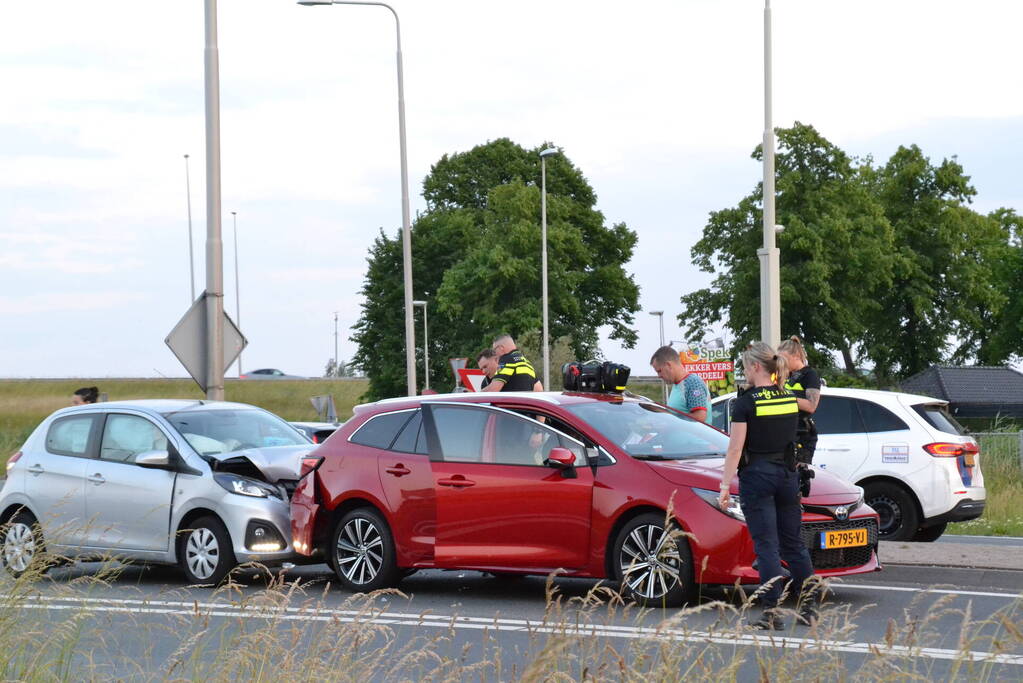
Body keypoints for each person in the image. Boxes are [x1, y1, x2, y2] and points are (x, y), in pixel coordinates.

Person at [717, 342, 816, 630]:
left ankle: (771, 613)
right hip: (787, 476)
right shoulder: (787, 398)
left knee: (768, 547)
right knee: (795, 544)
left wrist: (725, 486)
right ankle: (808, 608)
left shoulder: (746, 403)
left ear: (756, 367)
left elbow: (735, 450)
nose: (745, 373)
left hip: (758, 478)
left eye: (746, 367)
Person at [778, 335, 822, 497]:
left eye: (784, 359)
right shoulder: (785, 375)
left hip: (802, 434)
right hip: (785, 431)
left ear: (795, 356)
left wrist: (785, 397)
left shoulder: (809, 375)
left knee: (795, 480)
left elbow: (811, 406)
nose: (780, 363)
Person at [649, 346, 711, 423]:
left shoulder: (692, 383)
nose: (659, 376)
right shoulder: (677, 384)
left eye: (659, 371)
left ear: (668, 365)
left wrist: (667, 415)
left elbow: (699, 417)